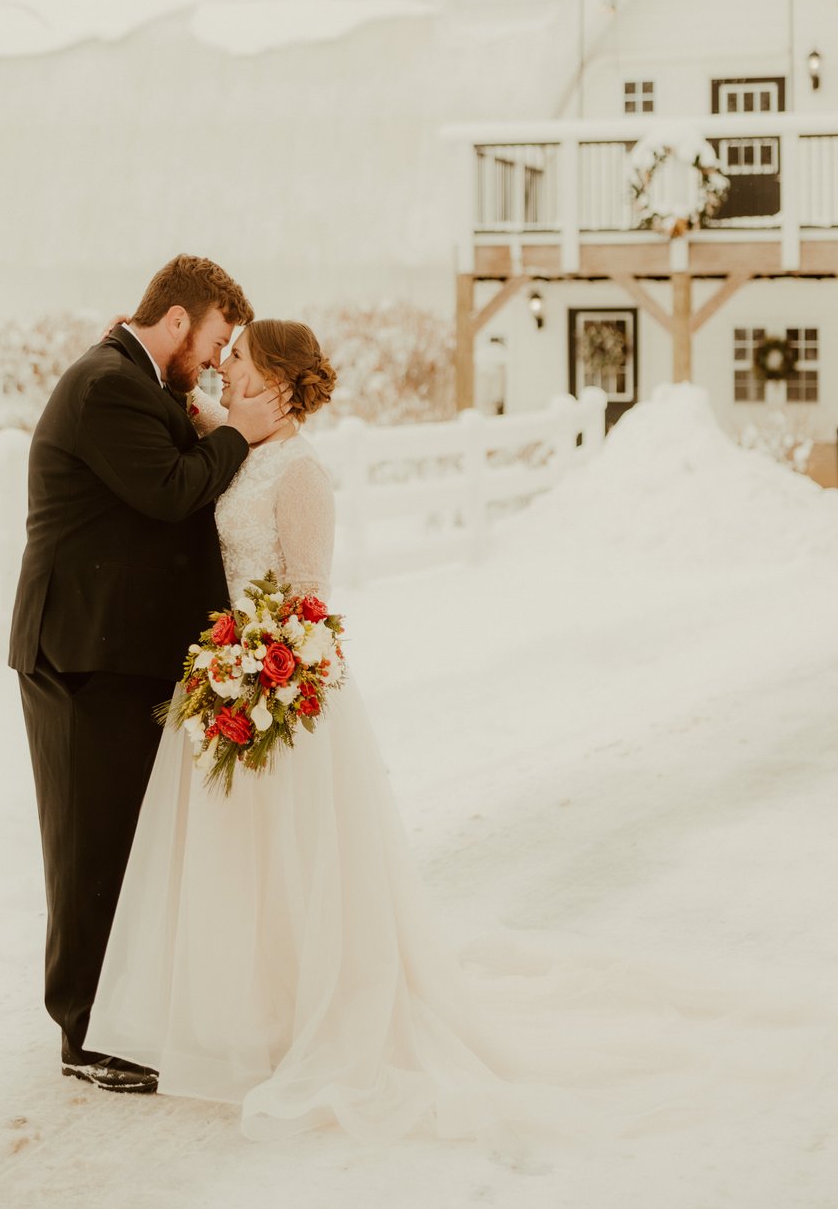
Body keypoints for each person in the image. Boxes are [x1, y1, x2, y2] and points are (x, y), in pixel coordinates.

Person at [84, 319, 536, 1137]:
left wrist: (261, 674)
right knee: (229, 861)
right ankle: (233, 1018)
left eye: (241, 365)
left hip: (284, 694)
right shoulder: (238, 444)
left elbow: (308, 599)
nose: (225, 373)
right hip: (226, 680)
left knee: (290, 860)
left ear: (280, 386)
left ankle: (303, 1018)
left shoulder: (302, 474)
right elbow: (183, 415)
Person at [9, 256, 290, 1094]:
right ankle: (81, 1034)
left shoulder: (140, 380)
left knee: (123, 844)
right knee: (85, 845)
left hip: (118, 653)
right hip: (79, 655)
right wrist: (242, 433)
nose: (213, 361)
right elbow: (172, 491)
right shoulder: (108, 385)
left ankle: (119, 1014)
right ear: (177, 319)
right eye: (212, 341)